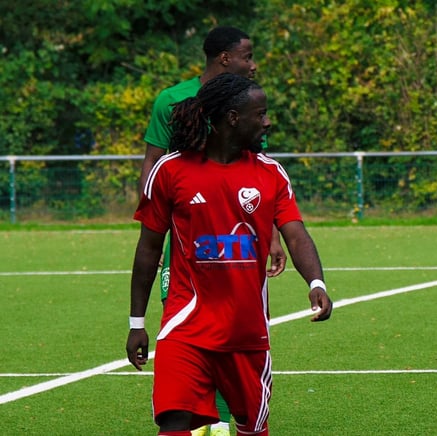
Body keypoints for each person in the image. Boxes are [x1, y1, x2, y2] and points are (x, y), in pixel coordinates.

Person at [126, 73, 333, 435]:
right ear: (233, 118)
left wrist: (316, 282)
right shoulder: (171, 170)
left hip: (246, 333)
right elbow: (148, 249)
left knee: (251, 427)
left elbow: (295, 233)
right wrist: (136, 324)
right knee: (174, 420)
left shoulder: (270, 173)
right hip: (186, 326)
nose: (267, 122)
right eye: (260, 114)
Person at [141, 26, 286, 435]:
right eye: (247, 56)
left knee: (234, 320)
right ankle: (195, 411)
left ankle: (222, 418)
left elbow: (256, 174)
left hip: (237, 238)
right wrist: (156, 217)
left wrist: (272, 232)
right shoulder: (171, 99)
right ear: (225, 57)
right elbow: (153, 162)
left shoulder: (247, 102)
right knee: (186, 322)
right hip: (186, 237)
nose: (253, 65)